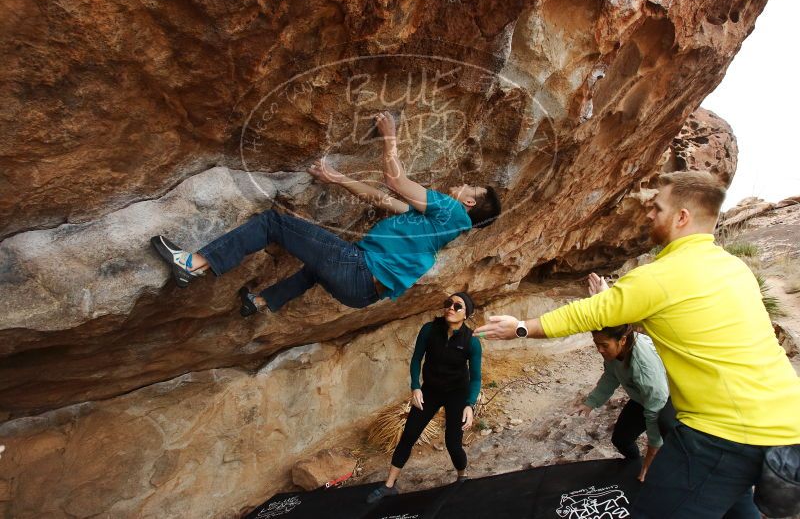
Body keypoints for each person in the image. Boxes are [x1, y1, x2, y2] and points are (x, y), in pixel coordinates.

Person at [476, 171, 800, 518]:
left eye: (657, 208)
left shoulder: (660, 275)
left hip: (721, 433)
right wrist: (616, 299)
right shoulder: (735, 269)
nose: (648, 215)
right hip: (786, 422)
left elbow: (584, 314)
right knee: (736, 508)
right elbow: (686, 316)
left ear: (681, 217)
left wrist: (521, 327)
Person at [150, 112, 501, 316]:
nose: (466, 185)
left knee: (273, 223)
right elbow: (383, 200)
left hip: (359, 270)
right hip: (361, 295)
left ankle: (194, 264)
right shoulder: (441, 226)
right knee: (318, 266)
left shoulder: (451, 210)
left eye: (472, 188)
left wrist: (390, 137)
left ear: (469, 203)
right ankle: (260, 302)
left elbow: (394, 180)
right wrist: (338, 177)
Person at [367, 292, 482, 504]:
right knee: (409, 434)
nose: (451, 308)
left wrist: (470, 405)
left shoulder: (472, 342)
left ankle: (462, 477)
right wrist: (415, 387)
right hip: (430, 391)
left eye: (458, 306)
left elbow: (475, 378)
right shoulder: (429, 330)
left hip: (457, 393)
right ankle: (389, 485)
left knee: (453, 443)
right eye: (448, 303)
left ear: (466, 314)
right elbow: (416, 359)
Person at [573, 276, 675, 481]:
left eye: (604, 346)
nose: (599, 350)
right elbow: (611, 377)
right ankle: (633, 467)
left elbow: (655, 405)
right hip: (641, 398)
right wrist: (591, 402)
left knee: (664, 433)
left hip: (666, 398)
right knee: (621, 439)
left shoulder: (643, 366)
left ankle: (663, 471)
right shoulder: (614, 350)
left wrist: (653, 445)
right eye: (596, 344)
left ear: (622, 341)